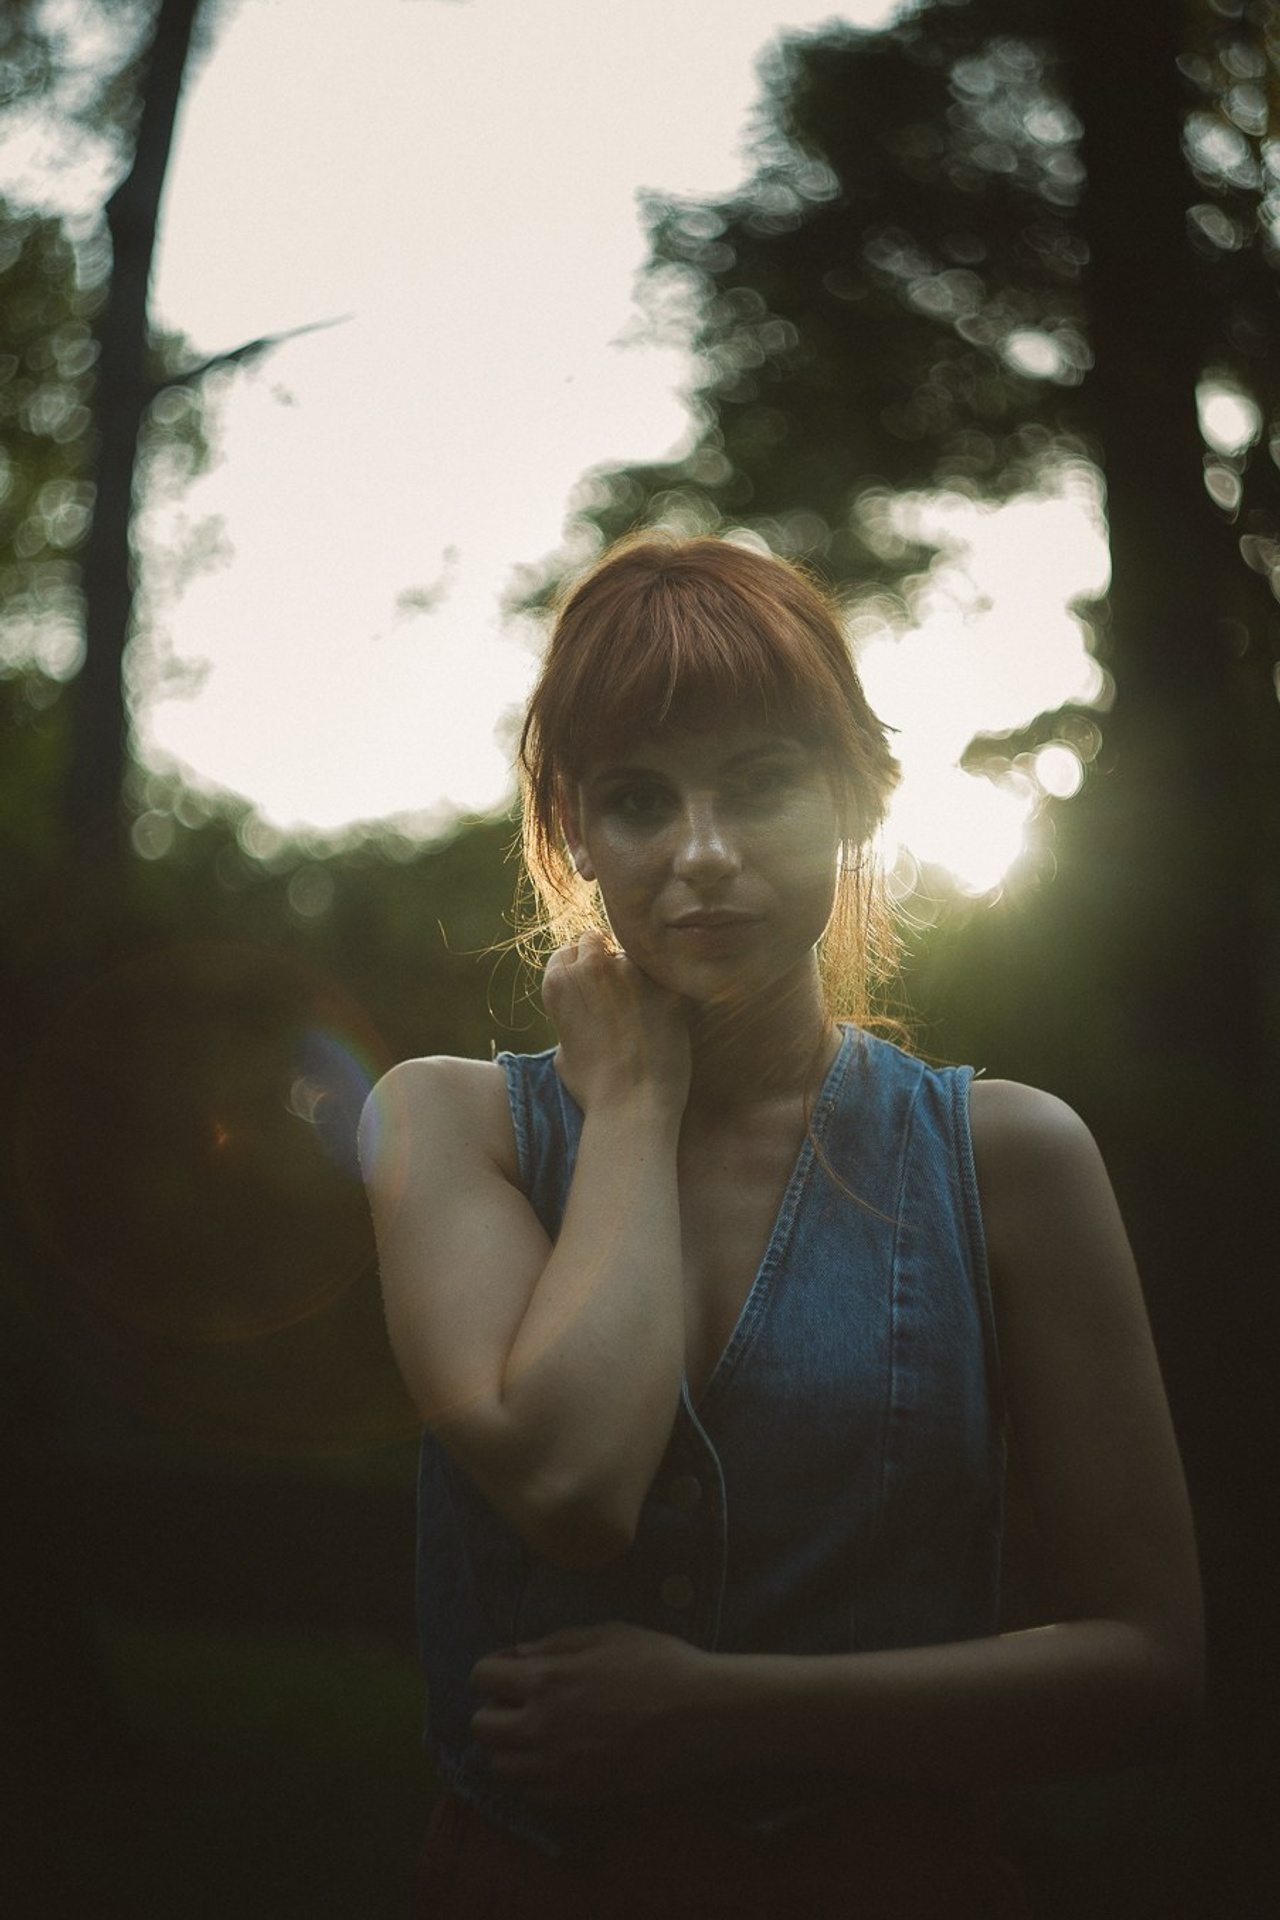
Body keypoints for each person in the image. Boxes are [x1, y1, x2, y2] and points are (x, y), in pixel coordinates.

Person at [359, 536, 1202, 1917]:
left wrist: (733, 1712)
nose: (701, 854)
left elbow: (1150, 1673)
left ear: (859, 794)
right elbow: (573, 1490)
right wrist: (632, 1095)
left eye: (760, 786)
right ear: (573, 827)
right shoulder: (451, 1128)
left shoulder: (1014, 1159)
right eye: (639, 799)